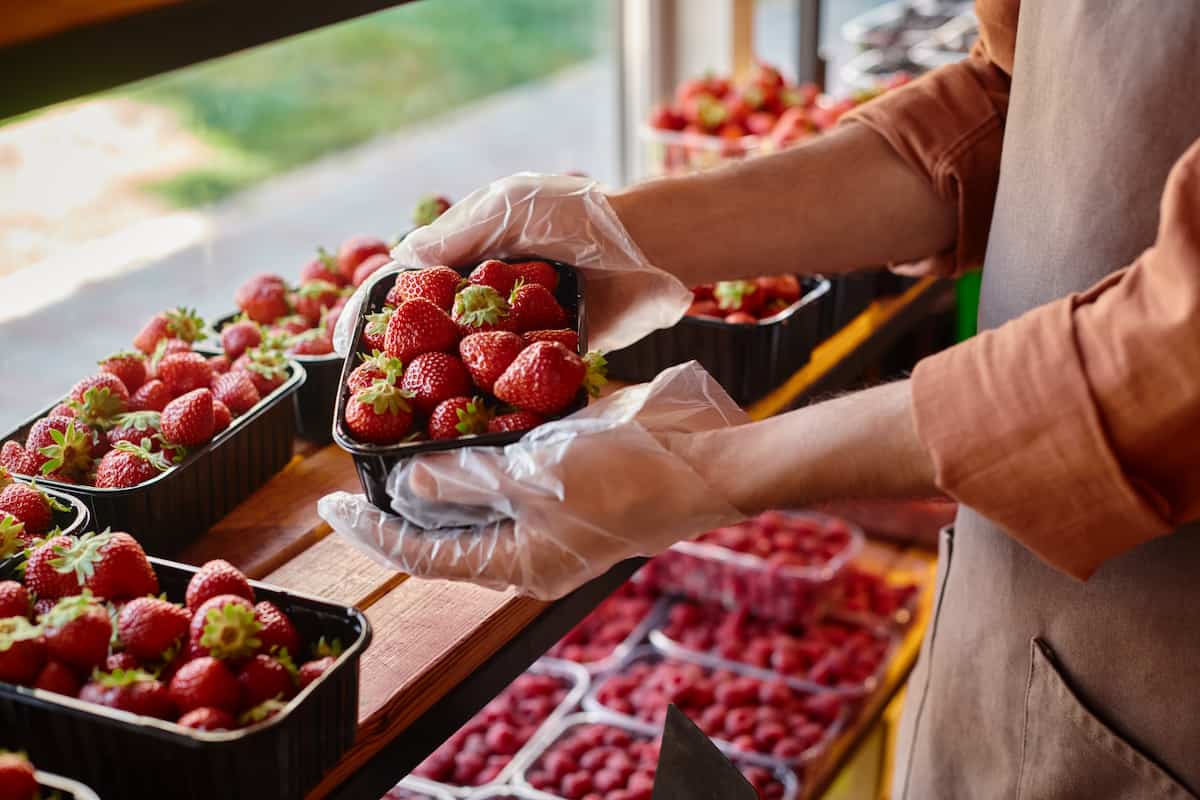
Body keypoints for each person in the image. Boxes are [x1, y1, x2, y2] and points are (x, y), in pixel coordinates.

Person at [323, 2, 1200, 796]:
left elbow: (1173, 355)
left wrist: (715, 468)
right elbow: (1017, 109)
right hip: (1014, 609)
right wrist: (627, 232)